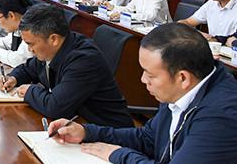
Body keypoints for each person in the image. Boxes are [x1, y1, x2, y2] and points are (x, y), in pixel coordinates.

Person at [47, 23, 237, 163]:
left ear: (182, 78)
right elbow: (148, 138)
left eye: (150, 75)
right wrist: (87, 132)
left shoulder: (221, 115)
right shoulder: (180, 89)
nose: (143, 80)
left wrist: (117, 154)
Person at [0, 4, 133, 127]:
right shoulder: (53, 48)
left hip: (108, 132)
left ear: (53, 39)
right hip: (78, 124)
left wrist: (30, 91)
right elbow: (29, 68)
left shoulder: (84, 59)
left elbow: (55, 107)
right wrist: (13, 77)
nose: (30, 50)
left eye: (31, 44)